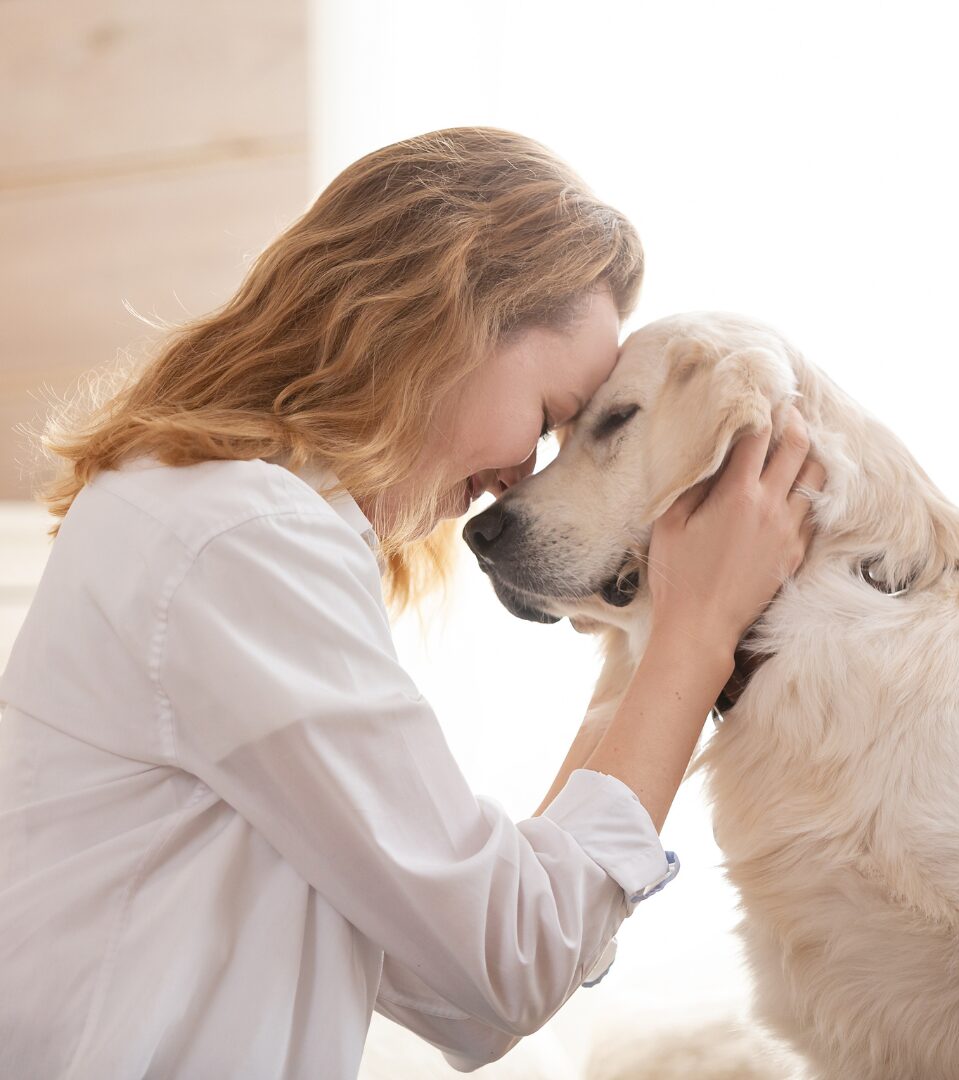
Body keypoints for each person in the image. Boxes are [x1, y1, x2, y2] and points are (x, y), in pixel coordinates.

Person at [0, 127, 823, 1078]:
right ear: (448, 319)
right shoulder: (239, 536)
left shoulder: (214, 515)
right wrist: (698, 633)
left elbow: (462, 999)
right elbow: (504, 966)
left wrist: (650, 639)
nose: (522, 475)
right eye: (551, 418)